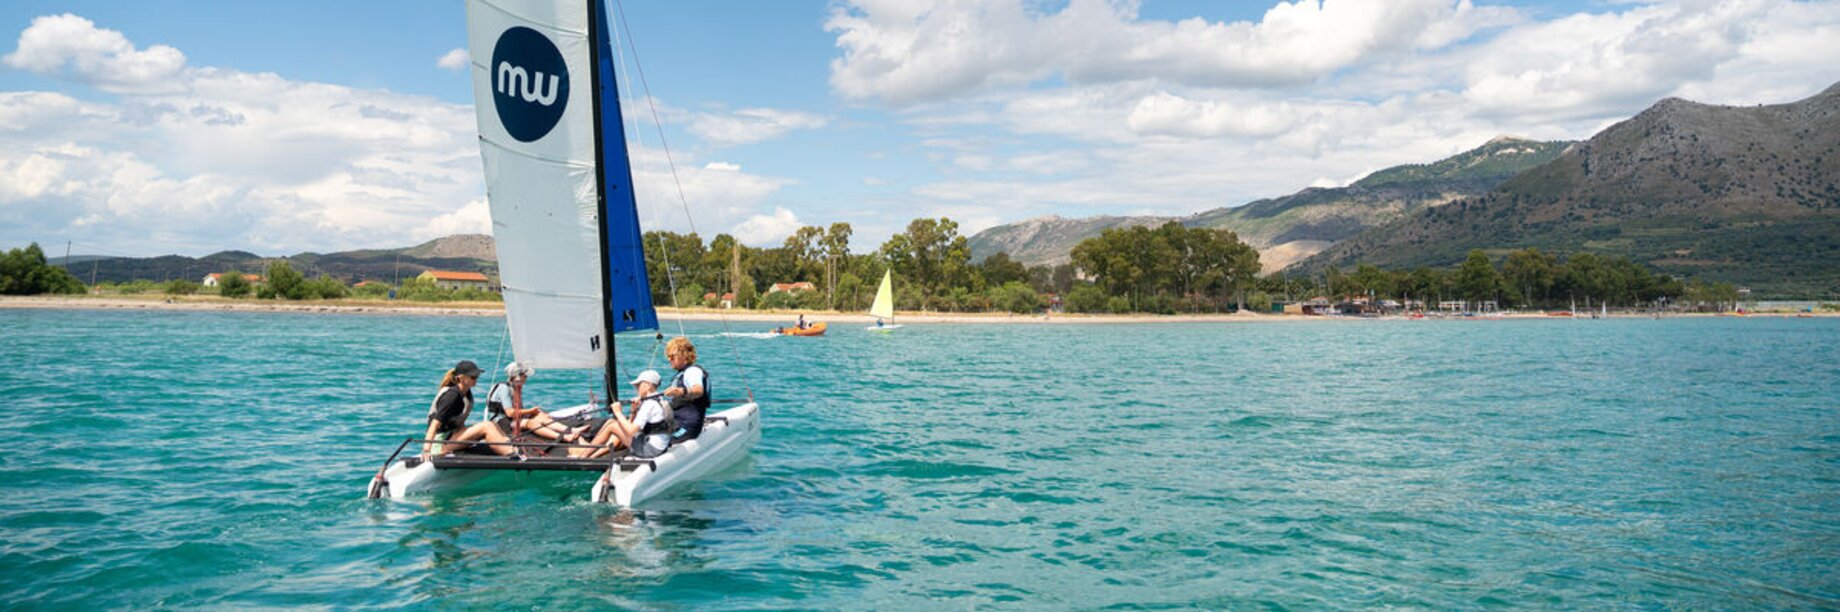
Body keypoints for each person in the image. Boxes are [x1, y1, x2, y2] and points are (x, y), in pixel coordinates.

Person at [421, 360, 519, 457]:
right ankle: (513, 455)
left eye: (477, 377)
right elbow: (434, 424)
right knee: (487, 426)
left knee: (493, 425)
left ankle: (511, 448)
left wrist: (469, 439)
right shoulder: (452, 396)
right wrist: (426, 450)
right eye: (473, 377)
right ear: (461, 377)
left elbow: (459, 422)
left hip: (451, 436)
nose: (476, 380)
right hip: (439, 443)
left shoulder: (466, 394)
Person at [570, 370, 672, 459]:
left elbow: (631, 431)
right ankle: (590, 449)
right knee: (612, 422)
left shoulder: (649, 404)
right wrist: (634, 410)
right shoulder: (658, 399)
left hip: (650, 449)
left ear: (648, 385)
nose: (637, 388)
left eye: (638, 385)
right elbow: (632, 426)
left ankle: (583, 456)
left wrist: (618, 412)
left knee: (612, 426)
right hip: (658, 444)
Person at [486, 362, 585, 443]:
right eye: (525, 376)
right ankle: (563, 437)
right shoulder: (504, 388)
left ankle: (570, 430)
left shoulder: (515, 388)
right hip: (501, 423)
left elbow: (518, 411)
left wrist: (534, 412)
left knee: (540, 416)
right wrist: (530, 411)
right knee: (531, 423)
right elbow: (510, 412)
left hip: (511, 420)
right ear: (517, 376)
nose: (526, 379)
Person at [662, 336, 710, 440]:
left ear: (684, 355)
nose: (669, 359)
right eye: (668, 356)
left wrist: (680, 391)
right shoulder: (683, 373)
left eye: (672, 356)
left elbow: (698, 390)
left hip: (686, 427)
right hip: (676, 423)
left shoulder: (692, 371)